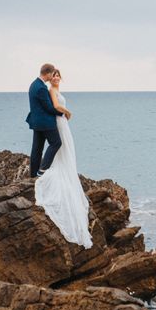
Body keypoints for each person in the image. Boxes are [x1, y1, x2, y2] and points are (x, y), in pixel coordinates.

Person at [34, 69, 93, 249]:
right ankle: (47, 170)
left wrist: (65, 114)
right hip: (59, 121)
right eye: (54, 75)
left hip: (62, 122)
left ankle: (63, 170)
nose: (57, 77)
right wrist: (67, 111)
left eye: (59, 75)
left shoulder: (57, 90)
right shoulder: (51, 90)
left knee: (67, 149)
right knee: (61, 146)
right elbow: (55, 106)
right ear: (50, 78)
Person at [27, 63, 65, 178]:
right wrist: (62, 113)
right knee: (56, 143)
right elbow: (48, 107)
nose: (52, 77)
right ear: (48, 73)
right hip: (45, 123)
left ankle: (33, 175)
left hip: (36, 122)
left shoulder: (33, 85)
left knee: (37, 149)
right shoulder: (42, 88)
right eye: (52, 74)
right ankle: (42, 170)